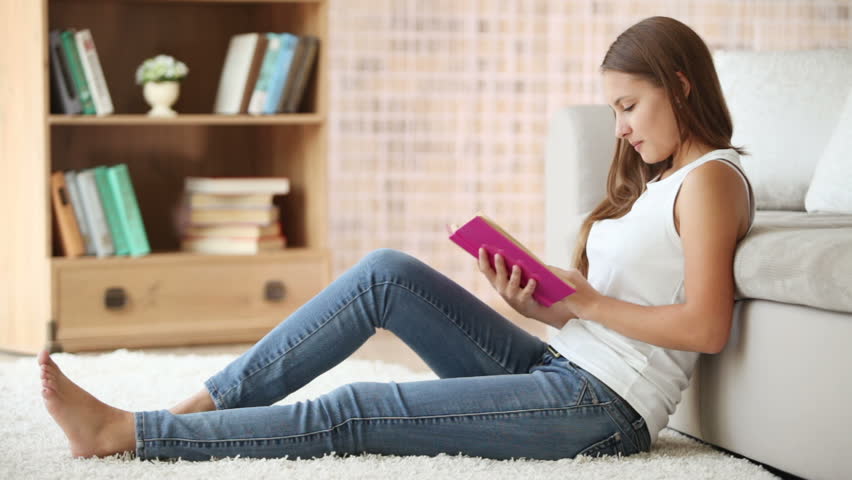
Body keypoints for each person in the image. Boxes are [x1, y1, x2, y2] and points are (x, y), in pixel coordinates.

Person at [38, 15, 754, 462]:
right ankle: (190, 408)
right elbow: (611, 308)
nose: (621, 127)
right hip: (558, 363)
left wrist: (590, 304)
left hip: (604, 408)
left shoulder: (713, 180)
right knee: (386, 273)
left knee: (359, 410)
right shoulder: (658, 185)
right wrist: (546, 306)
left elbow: (707, 326)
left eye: (629, 105)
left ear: (681, 85)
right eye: (614, 109)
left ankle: (133, 436)